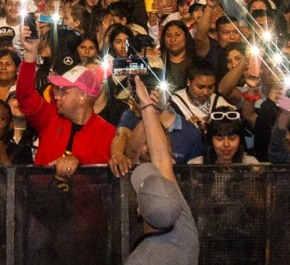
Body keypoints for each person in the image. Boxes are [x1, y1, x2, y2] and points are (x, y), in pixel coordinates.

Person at [125, 77, 198, 265]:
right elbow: (162, 160)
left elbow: (160, 161)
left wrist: (146, 106)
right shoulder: (186, 230)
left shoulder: (141, 260)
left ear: (139, 210)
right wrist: (148, 106)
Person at [17, 37, 115, 175]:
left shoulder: (106, 132)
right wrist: (30, 54)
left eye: (64, 91)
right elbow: (25, 96)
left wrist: (78, 161)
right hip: (41, 196)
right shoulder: (50, 117)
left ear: (83, 96)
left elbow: (101, 177)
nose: (56, 95)